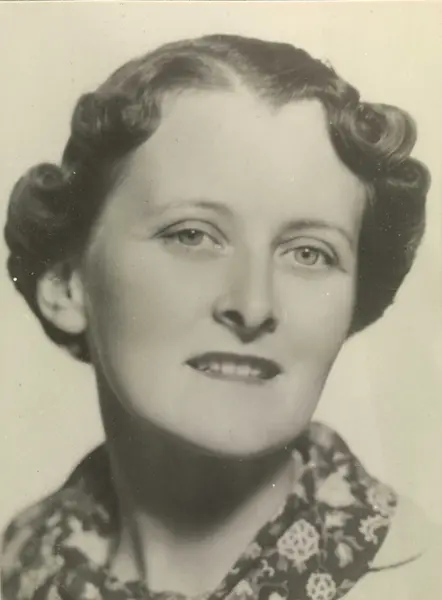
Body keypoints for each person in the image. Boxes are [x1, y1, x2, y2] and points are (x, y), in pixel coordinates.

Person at [1, 34, 438, 600]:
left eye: (309, 253)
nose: (253, 306)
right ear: (68, 285)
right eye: (192, 236)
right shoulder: (17, 566)